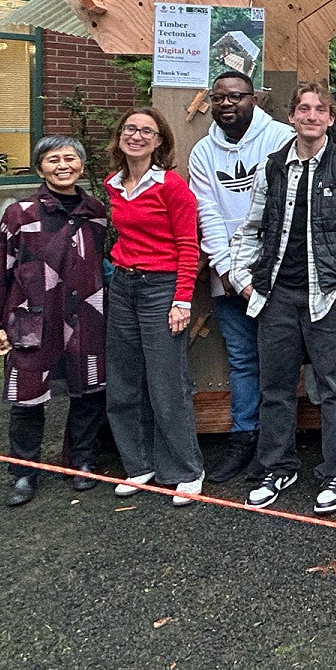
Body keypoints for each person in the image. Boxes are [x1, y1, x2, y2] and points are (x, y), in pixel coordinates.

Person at [229, 83, 336, 514]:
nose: (312, 115)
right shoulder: (273, 167)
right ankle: (277, 465)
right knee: (276, 388)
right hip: (277, 297)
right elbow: (251, 228)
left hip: (330, 297)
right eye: (304, 108)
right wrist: (241, 277)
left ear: (331, 118)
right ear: (292, 116)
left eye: (321, 109)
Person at [0, 135, 108, 507]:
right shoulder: (20, 213)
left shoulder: (95, 212)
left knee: (89, 392)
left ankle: (80, 460)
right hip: (31, 319)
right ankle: (23, 471)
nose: (63, 166)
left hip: (87, 314)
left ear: (81, 165)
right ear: (39, 167)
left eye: (70, 158)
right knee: (28, 398)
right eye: (53, 159)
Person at [188, 70, 292, 484]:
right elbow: (207, 212)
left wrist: (258, 269)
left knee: (277, 361)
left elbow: (280, 209)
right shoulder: (202, 153)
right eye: (219, 98)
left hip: (275, 274)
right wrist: (228, 267)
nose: (227, 104)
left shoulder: (281, 138)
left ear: (254, 99)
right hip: (228, 276)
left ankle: (274, 446)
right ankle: (243, 438)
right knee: (243, 361)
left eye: (237, 96)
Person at [104, 106, 204, 506]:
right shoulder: (114, 185)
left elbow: (187, 246)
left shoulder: (172, 186)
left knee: (167, 382)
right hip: (123, 286)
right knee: (125, 379)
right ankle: (139, 465)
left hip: (161, 288)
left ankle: (186, 471)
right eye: (130, 128)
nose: (137, 136)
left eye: (147, 131)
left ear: (160, 140)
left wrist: (182, 299)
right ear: (121, 136)